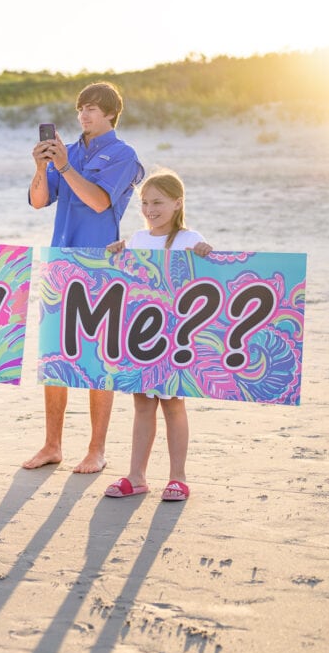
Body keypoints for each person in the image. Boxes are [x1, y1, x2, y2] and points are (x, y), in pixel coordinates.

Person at [24, 81, 144, 473]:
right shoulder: (68, 152)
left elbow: (98, 201)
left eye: (92, 108)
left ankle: (96, 449)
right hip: (60, 262)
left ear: (111, 114)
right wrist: (42, 167)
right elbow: (40, 201)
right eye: (80, 109)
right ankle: (52, 445)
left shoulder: (123, 155)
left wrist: (63, 166)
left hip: (101, 266)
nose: (84, 115)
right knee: (54, 358)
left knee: (98, 360)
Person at [102, 169, 212, 501]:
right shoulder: (136, 240)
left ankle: (178, 477)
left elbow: (210, 282)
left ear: (178, 203)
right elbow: (126, 282)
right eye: (145, 203)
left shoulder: (190, 240)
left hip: (176, 337)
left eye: (158, 202)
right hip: (142, 336)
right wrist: (115, 255)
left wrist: (208, 255)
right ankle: (136, 476)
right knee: (142, 404)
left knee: (173, 404)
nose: (151, 209)